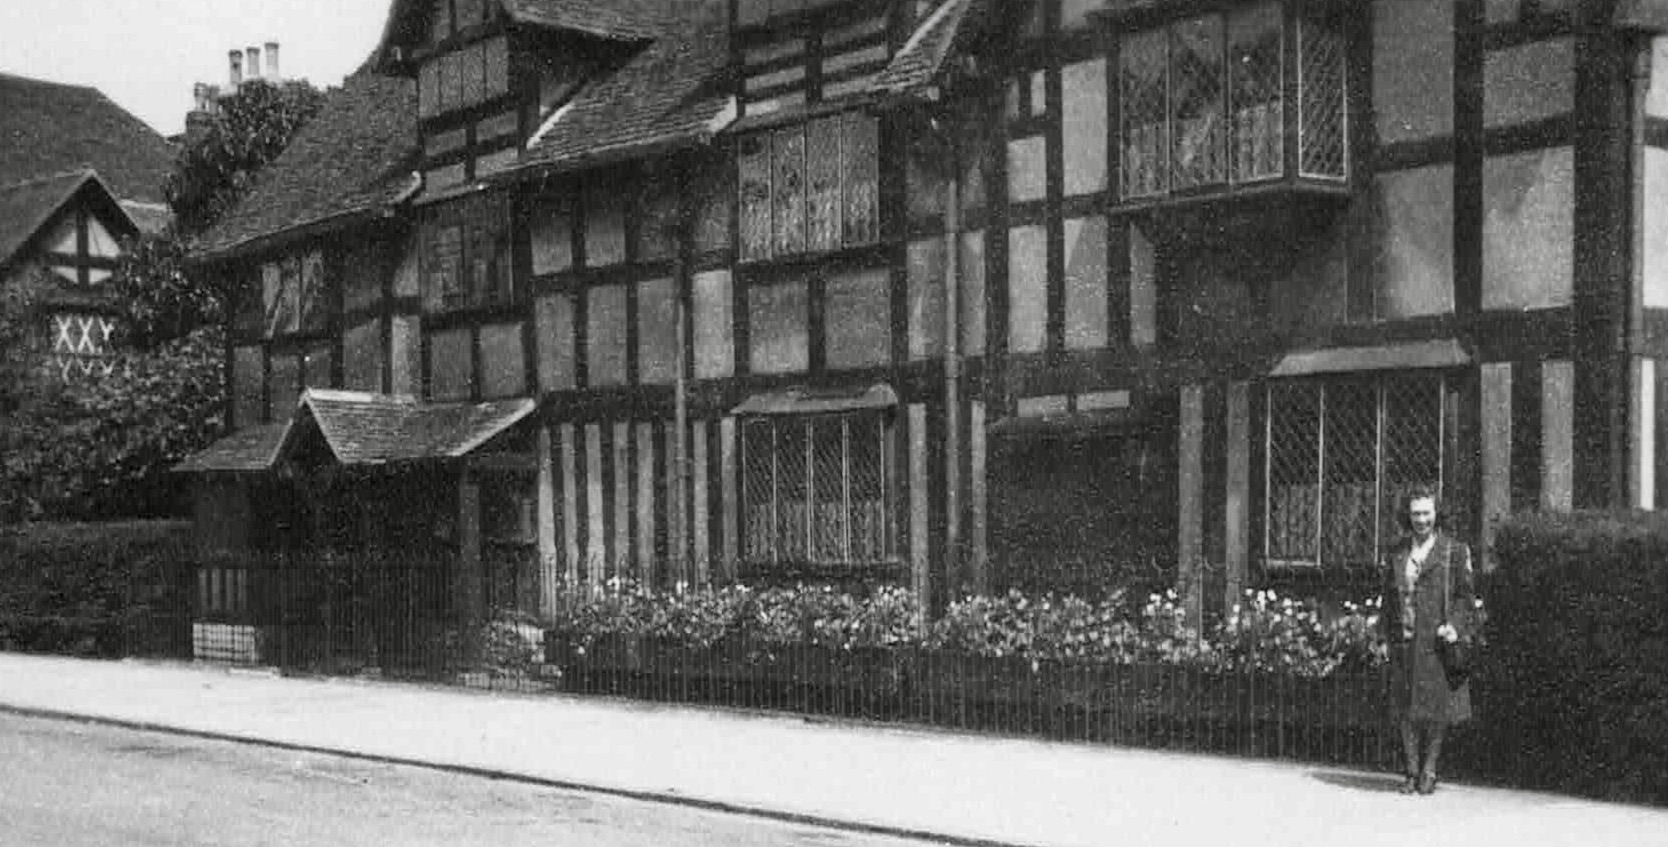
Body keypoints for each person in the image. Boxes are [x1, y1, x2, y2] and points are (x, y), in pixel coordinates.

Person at [1381, 483, 1474, 795]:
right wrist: (1384, 634)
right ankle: (1410, 769)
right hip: (1404, 639)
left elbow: (1465, 597)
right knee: (1405, 709)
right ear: (1407, 516)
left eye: (1426, 513)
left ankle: (1429, 769)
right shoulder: (1397, 552)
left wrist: (1455, 626)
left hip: (1436, 642)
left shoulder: (1453, 551)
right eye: (1416, 513)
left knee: (1437, 711)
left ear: (1436, 514)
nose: (1421, 520)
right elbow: (1388, 598)